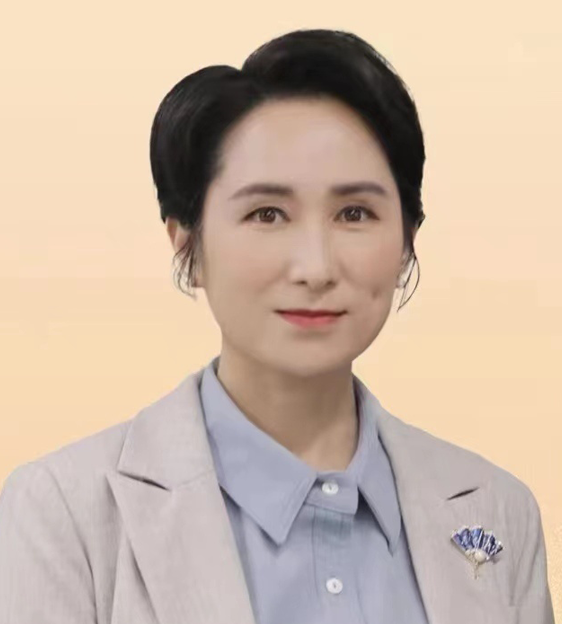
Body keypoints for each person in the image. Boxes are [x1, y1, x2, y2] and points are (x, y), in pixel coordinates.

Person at [0, 28, 555, 624]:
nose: (315, 268)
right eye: (267, 214)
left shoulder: (496, 510)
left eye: (355, 213)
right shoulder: (61, 512)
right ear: (187, 243)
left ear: (406, 243)